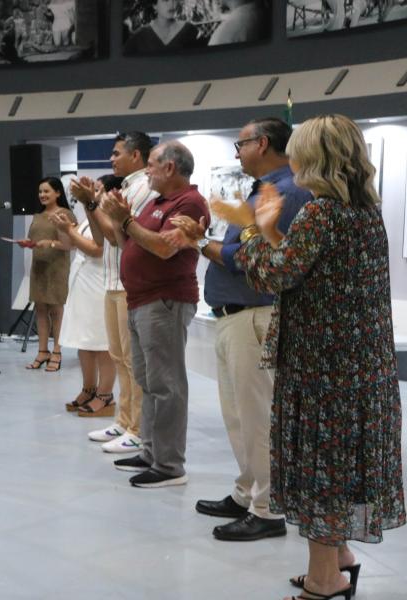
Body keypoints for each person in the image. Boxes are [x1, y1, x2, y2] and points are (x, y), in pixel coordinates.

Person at [201, 114, 405, 600]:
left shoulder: (321, 213)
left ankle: (324, 581)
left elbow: (274, 274)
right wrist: (271, 231)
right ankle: (340, 559)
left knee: (322, 472)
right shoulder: (363, 211)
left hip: (323, 370)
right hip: (356, 367)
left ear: (315, 158)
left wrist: (251, 229)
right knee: (337, 467)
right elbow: (301, 266)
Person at [161, 118, 312, 542]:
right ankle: (247, 491)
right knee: (239, 416)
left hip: (255, 313)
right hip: (237, 315)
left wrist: (201, 243)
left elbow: (252, 256)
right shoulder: (264, 190)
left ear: (262, 144)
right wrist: (206, 241)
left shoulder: (286, 192)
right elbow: (244, 248)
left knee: (258, 417)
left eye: (240, 144)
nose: (237, 153)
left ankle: (267, 508)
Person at [100, 140, 209, 488]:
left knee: (167, 385)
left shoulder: (189, 202)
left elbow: (164, 248)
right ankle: (150, 451)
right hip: (140, 300)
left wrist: (127, 221)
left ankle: (169, 465)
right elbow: (127, 244)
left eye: (151, 164)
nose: (146, 170)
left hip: (164, 301)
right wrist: (119, 220)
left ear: (170, 167)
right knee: (148, 382)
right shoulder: (157, 202)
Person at [69, 131, 157, 453]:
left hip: (126, 283)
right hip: (112, 281)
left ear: (136, 155)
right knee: (119, 357)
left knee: (133, 362)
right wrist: (90, 204)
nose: (111, 159)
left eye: (117, 153)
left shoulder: (144, 187)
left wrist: (92, 202)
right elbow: (102, 236)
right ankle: (124, 420)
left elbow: (116, 235)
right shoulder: (126, 188)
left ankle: (137, 427)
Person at [54, 175, 118, 417]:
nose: (94, 193)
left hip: (99, 283)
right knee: (85, 341)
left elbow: (96, 249)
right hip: (83, 283)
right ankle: (88, 388)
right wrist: (67, 230)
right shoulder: (91, 215)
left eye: (98, 189)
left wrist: (68, 230)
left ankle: (105, 394)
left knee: (101, 343)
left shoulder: (110, 217)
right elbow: (78, 243)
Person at [16, 177, 74, 373]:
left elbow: (70, 244)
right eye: (40, 191)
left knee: (56, 311)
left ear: (58, 193)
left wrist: (50, 243)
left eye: (47, 191)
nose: (42, 195)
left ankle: (57, 351)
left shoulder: (65, 214)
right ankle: (42, 352)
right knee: (40, 309)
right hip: (38, 267)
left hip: (57, 268)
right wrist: (27, 242)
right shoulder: (37, 216)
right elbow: (34, 239)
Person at [123, 0, 201, 54]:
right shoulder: (139, 36)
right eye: (165, 0)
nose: (171, 4)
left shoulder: (189, 30)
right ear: (155, 5)